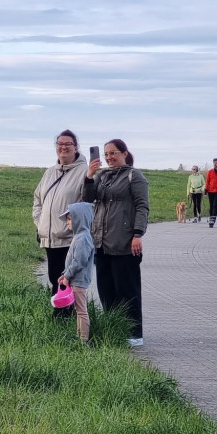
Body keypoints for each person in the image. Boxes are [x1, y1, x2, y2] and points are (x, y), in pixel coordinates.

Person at [84, 138, 149, 347]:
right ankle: (113, 329)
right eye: (106, 154)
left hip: (125, 242)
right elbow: (87, 199)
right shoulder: (102, 177)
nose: (109, 157)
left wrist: (137, 234)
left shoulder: (134, 176)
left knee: (127, 290)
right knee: (106, 289)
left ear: (124, 153)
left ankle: (133, 333)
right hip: (102, 242)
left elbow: (142, 206)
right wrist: (89, 176)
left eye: (113, 153)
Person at [32, 129, 88, 316]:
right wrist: (40, 223)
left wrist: (71, 226)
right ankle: (59, 314)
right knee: (53, 277)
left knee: (67, 279)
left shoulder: (84, 173)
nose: (63, 147)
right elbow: (38, 200)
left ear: (76, 147)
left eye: (68, 144)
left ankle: (67, 317)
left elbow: (88, 203)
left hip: (68, 237)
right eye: (60, 144)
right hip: (49, 236)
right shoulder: (49, 172)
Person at [56, 202, 95, 344]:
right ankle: (79, 337)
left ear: (80, 219)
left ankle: (83, 340)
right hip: (74, 278)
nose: (68, 222)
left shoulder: (83, 238)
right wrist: (64, 274)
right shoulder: (79, 236)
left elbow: (79, 261)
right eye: (67, 219)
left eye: (70, 219)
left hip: (79, 280)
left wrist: (67, 276)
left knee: (81, 310)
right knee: (79, 310)